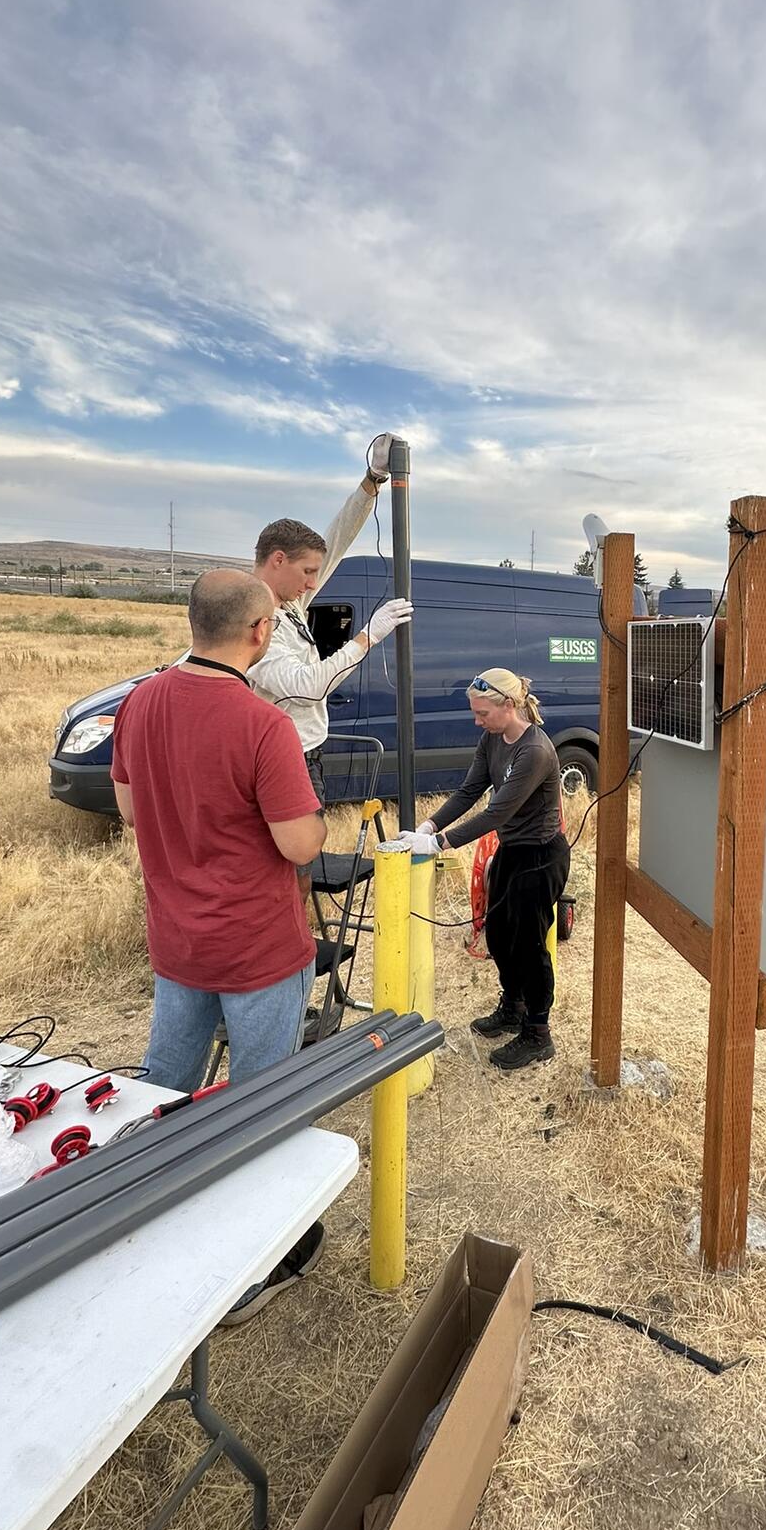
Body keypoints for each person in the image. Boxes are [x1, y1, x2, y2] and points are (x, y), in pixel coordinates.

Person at [112, 567, 329, 1323]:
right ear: (260, 632)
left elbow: (130, 807)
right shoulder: (263, 724)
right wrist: (318, 819)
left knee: (159, 1092)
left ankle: (135, 1225)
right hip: (258, 951)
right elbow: (300, 844)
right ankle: (245, 1274)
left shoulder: (139, 702)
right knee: (260, 1113)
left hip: (178, 945)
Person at [248, 432, 412, 889]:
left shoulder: (286, 603)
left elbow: (334, 541)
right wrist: (367, 637)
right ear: (277, 561)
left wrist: (371, 482)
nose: (311, 583)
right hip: (285, 758)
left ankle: (292, 936)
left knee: (300, 861)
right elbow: (309, 684)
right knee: (294, 866)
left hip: (304, 753)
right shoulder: (256, 619)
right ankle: (291, 949)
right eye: (305, 573)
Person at [402, 668, 569, 1072]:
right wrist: (429, 825)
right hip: (513, 850)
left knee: (529, 944)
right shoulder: (493, 738)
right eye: (475, 714)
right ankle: (512, 1005)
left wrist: (439, 844)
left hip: (541, 855)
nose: (478, 721)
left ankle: (537, 1032)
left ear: (508, 706)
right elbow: (469, 790)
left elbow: (497, 811)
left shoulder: (535, 751)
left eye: (483, 714)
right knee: (498, 935)